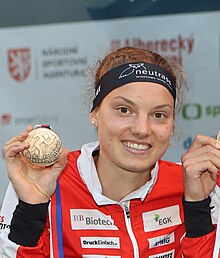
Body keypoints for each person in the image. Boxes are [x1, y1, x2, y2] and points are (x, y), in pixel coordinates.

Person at [0, 46, 220, 258]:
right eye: (124, 110)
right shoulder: (47, 181)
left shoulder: (197, 185)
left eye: (159, 115)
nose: (142, 130)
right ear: (95, 113)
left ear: (172, 124)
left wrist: (197, 207)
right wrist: (31, 210)